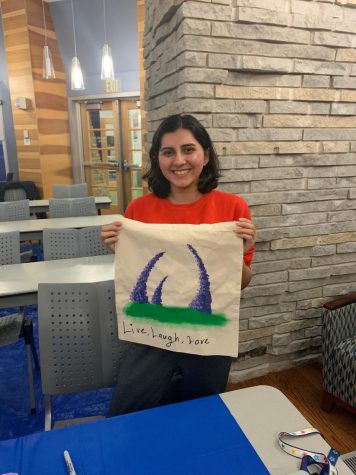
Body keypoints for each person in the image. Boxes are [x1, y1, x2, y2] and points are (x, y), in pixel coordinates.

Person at [101, 114, 256, 417]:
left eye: (188, 149)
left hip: (208, 342)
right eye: (168, 152)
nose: (179, 160)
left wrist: (237, 255)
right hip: (151, 339)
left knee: (200, 419)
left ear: (205, 155)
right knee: (130, 415)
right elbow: (136, 278)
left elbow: (240, 283)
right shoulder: (139, 209)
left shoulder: (232, 208)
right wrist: (118, 248)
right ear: (157, 158)